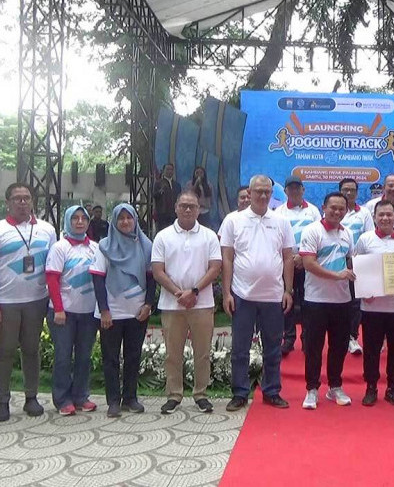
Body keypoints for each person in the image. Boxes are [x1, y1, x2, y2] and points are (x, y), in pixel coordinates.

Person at [220, 175, 295, 411]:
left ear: (272, 194)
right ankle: (240, 393)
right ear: (249, 193)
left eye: (267, 192)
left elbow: (287, 258)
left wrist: (288, 290)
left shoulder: (281, 221)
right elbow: (227, 258)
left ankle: (272, 391)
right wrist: (226, 293)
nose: (263, 196)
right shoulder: (233, 220)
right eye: (258, 191)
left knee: (273, 348)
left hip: (273, 296)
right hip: (242, 295)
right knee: (240, 348)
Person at [152, 191, 222, 414]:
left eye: (192, 206)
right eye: (184, 206)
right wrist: (178, 293)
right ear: (175, 208)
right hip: (172, 304)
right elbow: (157, 270)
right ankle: (174, 394)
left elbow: (215, 267)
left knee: (202, 352)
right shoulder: (163, 236)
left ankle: (201, 394)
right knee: (173, 353)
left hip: (202, 303)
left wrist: (193, 291)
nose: (188, 209)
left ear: (199, 209)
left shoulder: (209, 236)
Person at [90, 203, 155, 418]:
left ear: (136, 220)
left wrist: (148, 305)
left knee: (133, 356)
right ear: (114, 222)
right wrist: (105, 311)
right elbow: (98, 280)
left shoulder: (145, 245)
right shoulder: (105, 246)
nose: (126, 222)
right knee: (110, 358)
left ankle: (130, 398)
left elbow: (151, 277)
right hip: (112, 313)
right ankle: (113, 402)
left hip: (137, 313)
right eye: (121, 218)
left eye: (129, 218)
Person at [0, 183, 56, 422]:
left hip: (36, 300)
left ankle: (31, 397)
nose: (23, 203)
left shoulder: (47, 229)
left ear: (33, 201)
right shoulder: (1, 229)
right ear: (8, 203)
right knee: (5, 352)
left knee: (32, 351)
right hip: (6, 301)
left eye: (27, 198)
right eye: (17, 199)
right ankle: (2, 399)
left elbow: (54, 268)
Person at [355, 200, 394, 407]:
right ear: (374, 217)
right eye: (381, 215)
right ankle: (371, 387)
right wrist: (363, 291)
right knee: (371, 350)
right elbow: (358, 268)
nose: (385, 218)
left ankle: (393, 387)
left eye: (389, 215)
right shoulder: (365, 239)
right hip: (372, 307)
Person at [299, 192, 355, 409]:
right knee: (314, 346)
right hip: (316, 299)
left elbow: (351, 262)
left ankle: (335, 386)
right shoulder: (312, 231)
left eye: (342, 208)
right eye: (333, 207)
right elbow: (309, 264)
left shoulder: (347, 233)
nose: (337, 212)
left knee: (339, 346)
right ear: (324, 207)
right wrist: (338, 276)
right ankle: (311, 389)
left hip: (342, 300)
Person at [45, 205, 99, 416]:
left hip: (88, 313)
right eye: (75, 218)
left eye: (83, 218)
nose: (79, 222)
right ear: (68, 221)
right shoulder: (60, 248)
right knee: (63, 357)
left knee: (84, 357)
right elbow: (52, 279)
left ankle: (80, 396)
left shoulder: (95, 247)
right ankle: (62, 399)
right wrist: (59, 309)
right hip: (63, 314)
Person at [276, 175, 321, 354]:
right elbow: (276, 238)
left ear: (303, 190)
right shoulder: (278, 212)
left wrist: (303, 256)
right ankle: (288, 337)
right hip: (285, 262)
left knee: (307, 302)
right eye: (291, 188)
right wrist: (290, 257)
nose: (294, 191)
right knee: (287, 299)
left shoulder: (313, 211)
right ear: (286, 191)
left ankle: (307, 337)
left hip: (307, 262)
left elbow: (318, 235)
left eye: (298, 188)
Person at [339, 177, 374, 355]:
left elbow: (369, 237)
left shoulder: (365, 213)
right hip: (337, 263)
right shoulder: (335, 210)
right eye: (345, 189)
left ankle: (352, 337)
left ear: (357, 192)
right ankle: (339, 337)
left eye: (352, 190)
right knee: (339, 301)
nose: (349, 193)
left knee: (354, 302)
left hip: (358, 262)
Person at [154, 163, 181, 232]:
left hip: (174, 214)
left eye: (171, 169)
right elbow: (154, 196)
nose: (170, 171)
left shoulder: (177, 185)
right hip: (162, 213)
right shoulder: (158, 183)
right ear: (163, 170)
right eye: (168, 169)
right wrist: (160, 191)